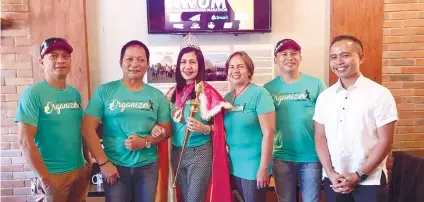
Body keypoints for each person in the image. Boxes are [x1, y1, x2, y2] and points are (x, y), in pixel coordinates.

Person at [82, 40, 172, 202]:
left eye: (141, 59)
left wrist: (145, 142)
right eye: (129, 59)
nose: (135, 64)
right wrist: (103, 164)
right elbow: (87, 129)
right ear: (121, 62)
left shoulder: (156, 96)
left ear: (147, 64)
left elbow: (167, 130)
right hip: (114, 167)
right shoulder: (105, 91)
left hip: (147, 168)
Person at [313, 35, 398, 202]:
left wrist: (359, 174)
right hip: (334, 180)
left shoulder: (380, 94)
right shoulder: (325, 97)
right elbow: (320, 137)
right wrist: (330, 173)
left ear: (361, 57)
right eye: (333, 57)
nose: (339, 61)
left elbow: (385, 141)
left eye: (345, 55)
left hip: (370, 181)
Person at [16, 37, 91, 202]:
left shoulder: (74, 94)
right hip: (52, 177)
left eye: (65, 56)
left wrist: (88, 163)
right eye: (53, 56)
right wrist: (44, 178)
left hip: (79, 172)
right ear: (41, 62)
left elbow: (80, 130)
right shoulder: (32, 95)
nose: (60, 60)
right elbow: (24, 141)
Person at [162, 34, 232, 202]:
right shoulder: (171, 93)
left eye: (192, 62)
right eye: (184, 62)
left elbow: (225, 127)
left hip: (200, 153)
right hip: (177, 153)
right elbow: (165, 123)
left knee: (195, 199)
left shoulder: (208, 93)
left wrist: (206, 128)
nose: (188, 66)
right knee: (185, 198)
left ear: (199, 65)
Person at [264, 39, 326, 202]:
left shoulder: (316, 84)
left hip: (312, 156)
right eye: (284, 54)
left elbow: (328, 119)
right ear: (276, 59)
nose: (289, 57)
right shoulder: (268, 89)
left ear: (300, 57)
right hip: (282, 156)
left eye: (294, 53)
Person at [224, 51, 275, 202]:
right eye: (231, 67)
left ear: (249, 70)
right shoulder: (227, 98)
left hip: (254, 167)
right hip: (233, 166)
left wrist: (263, 168)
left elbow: (269, 133)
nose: (235, 70)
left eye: (241, 66)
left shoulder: (260, 94)